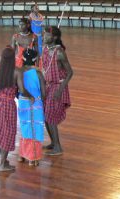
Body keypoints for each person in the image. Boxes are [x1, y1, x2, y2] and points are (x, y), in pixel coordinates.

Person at [0, 46, 34, 172]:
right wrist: (31, 96)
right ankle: (2, 164)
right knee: (7, 133)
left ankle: (4, 159)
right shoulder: (17, 71)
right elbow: (22, 90)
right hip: (8, 105)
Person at [42, 26, 73, 156]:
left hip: (58, 86)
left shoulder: (59, 53)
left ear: (54, 38)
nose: (44, 37)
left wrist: (60, 90)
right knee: (46, 116)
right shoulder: (45, 49)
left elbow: (70, 72)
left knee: (51, 116)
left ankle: (58, 148)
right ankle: (54, 142)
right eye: (44, 35)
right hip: (48, 86)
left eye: (47, 35)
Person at [18, 48, 45, 167]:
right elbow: (44, 94)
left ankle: (23, 155)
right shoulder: (38, 73)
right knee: (36, 129)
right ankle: (33, 158)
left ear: (23, 59)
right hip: (36, 103)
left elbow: (16, 89)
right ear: (35, 60)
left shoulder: (19, 71)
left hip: (23, 103)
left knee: (25, 127)